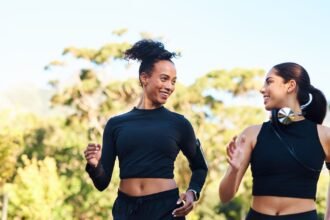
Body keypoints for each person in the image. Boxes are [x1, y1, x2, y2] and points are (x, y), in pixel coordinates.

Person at [84, 39, 208, 220]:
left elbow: (200, 167)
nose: (169, 87)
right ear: (144, 77)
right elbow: (102, 183)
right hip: (126, 210)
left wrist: (192, 193)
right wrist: (94, 166)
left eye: (173, 81)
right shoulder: (116, 124)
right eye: (164, 79)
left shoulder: (179, 124)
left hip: (166, 209)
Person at [219, 62, 330, 219]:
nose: (262, 89)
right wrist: (234, 171)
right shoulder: (251, 134)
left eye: (269, 81)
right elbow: (225, 197)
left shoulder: (324, 135)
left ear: (290, 85)